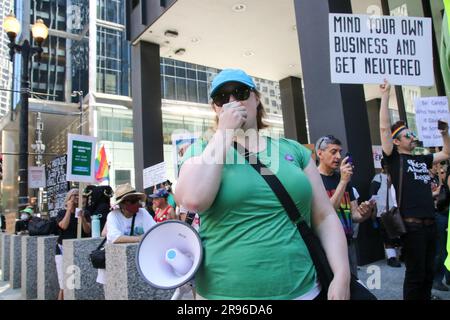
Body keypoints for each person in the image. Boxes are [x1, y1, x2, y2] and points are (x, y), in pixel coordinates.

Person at [175, 68, 351, 300]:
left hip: (303, 290)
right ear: (215, 109)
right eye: (221, 98)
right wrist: (224, 133)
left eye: (240, 92)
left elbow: (324, 216)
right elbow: (193, 200)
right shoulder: (201, 151)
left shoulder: (292, 150)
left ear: (256, 99)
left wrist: (342, 275)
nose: (231, 102)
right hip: (224, 295)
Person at [379, 80, 450, 300]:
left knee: (428, 274)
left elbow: (447, 153)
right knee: (415, 275)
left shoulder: (422, 159)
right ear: (397, 142)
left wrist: (445, 133)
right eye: (407, 135)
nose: (412, 137)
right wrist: (385, 96)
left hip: (430, 224)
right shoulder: (394, 159)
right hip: (412, 227)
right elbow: (383, 128)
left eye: (412, 134)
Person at [315, 135, 374, 277]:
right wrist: (343, 182)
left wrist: (364, 213)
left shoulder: (344, 180)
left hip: (348, 243)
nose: (338, 156)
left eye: (340, 152)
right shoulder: (313, 179)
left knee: (352, 283)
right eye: (333, 152)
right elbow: (325, 213)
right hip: (326, 244)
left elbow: (354, 215)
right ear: (320, 153)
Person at [55, 189, 91, 300]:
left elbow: (87, 231)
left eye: (78, 195)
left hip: (78, 249)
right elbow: (63, 226)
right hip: (63, 250)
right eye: (73, 195)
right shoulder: (61, 213)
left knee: (76, 283)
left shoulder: (85, 212)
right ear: (68, 198)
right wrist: (69, 210)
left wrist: (82, 218)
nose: (76, 197)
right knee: (63, 285)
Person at [370, 158, 402, 268]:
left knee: (399, 234)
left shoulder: (397, 177)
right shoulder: (377, 178)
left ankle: (401, 255)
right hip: (383, 213)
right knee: (388, 236)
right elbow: (373, 196)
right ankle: (391, 257)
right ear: (383, 166)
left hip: (396, 211)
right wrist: (373, 211)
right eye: (387, 165)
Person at [433, 163, 450, 291]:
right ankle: (437, 280)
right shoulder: (442, 185)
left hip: (444, 215)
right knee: (441, 251)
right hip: (443, 216)